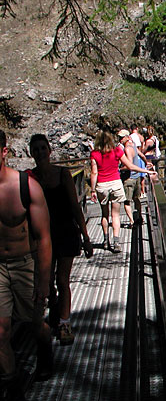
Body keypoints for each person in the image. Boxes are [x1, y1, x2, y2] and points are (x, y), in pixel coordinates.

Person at [0, 129, 53, 401]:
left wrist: (44, 281)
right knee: (0, 332)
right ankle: (12, 388)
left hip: (23, 262)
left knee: (35, 323)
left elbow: (44, 237)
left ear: (4, 151)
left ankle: (45, 353)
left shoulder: (25, 186)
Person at [29, 134, 93, 346]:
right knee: (46, 282)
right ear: (31, 153)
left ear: (49, 150)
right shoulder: (29, 178)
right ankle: (55, 307)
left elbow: (75, 206)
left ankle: (64, 323)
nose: (39, 153)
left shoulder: (62, 174)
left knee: (62, 279)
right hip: (42, 235)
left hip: (65, 231)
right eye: (35, 149)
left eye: (42, 148)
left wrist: (85, 235)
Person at [90, 131, 155, 253]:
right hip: (115, 183)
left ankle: (105, 241)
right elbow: (130, 166)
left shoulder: (94, 153)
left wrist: (93, 190)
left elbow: (94, 172)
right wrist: (146, 171)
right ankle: (116, 242)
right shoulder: (117, 151)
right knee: (115, 214)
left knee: (105, 214)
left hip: (102, 185)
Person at [117, 130, 145, 227]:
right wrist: (146, 163)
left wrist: (119, 169)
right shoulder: (133, 145)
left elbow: (129, 165)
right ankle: (140, 217)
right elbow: (142, 155)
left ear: (127, 137)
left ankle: (132, 221)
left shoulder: (126, 149)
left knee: (127, 201)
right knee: (136, 199)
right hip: (136, 177)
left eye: (121, 137)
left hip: (129, 178)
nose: (120, 139)